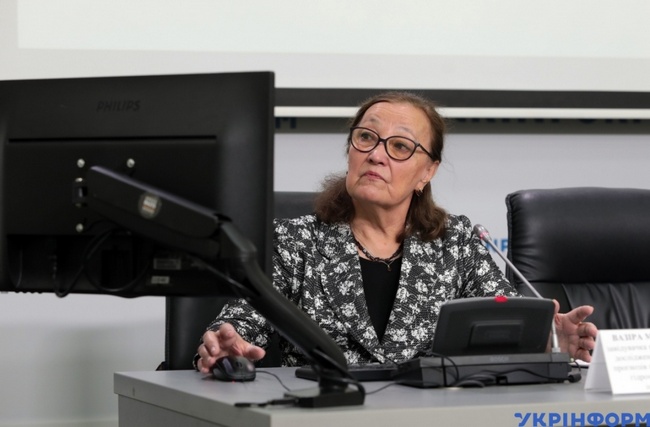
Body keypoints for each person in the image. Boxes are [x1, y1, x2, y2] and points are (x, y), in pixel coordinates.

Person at [195, 91, 597, 373]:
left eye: (400, 146)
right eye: (366, 137)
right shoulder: (294, 242)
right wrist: (223, 346)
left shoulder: (456, 243)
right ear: (350, 150)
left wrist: (549, 339)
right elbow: (239, 324)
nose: (375, 154)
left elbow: (506, 324)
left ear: (427, 172)